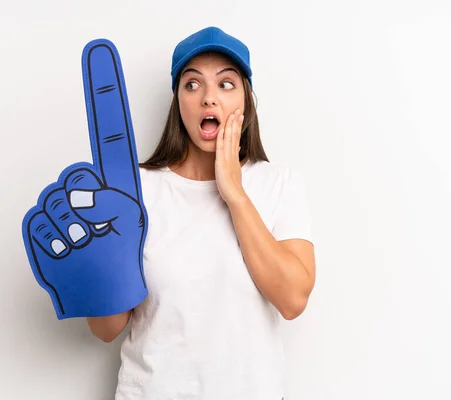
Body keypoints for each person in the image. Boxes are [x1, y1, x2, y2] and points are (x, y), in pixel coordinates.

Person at [87, 26, 316, 400]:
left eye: (226, 84)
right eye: (192, 85)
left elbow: (293, 300)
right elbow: (106, 329)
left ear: (246, 101)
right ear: (178, 101)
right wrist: (90, 270)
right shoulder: (135, 190)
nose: (209, 98)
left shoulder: (279, 184)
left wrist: (235, 195)